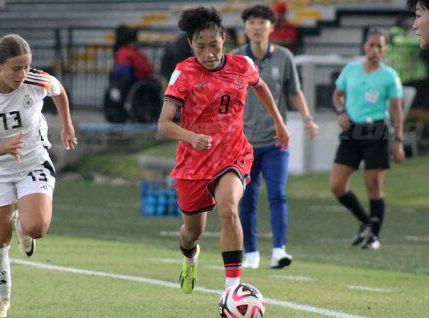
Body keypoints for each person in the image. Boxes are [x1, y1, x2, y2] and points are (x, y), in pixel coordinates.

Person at [157, 6, 289, 294]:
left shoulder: (242, 65)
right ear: (191, 44)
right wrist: (191, 137)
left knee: (229, 209)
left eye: (214, 45)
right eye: (201, 47)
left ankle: (232, 289)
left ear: (224, 39)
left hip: (233, 155)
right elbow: (164, 124)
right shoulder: (183, 73)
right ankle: (190, 259)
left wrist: (279, 122)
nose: (209, 53)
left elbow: (261, 86)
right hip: (193, 163)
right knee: (192, 233)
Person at [0, 29, 77, 318]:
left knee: (36, 227)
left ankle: (23, 224)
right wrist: (2, 147)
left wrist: (67, 125)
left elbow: (59, 91)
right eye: (16, 68)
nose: (23, 73)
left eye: (26, 66)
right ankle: (2, 300)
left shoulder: (36, 80)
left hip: (33, 162)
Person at [232, 5, 319, 270]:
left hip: (274, 142)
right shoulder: (235, 59)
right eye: (252, 22)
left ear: (272, 26)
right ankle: (251, 253)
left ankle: (279, 250)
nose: (257, 27)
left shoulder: (284, 57)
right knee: (247, 198)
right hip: (243, 143)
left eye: (262, 22)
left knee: (278, 194)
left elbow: (295, 91)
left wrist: (307, 119)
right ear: (245, 27)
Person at [330, 28, 404, 250]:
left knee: (373, 185)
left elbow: (397, 110)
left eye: (380, 46)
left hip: (376, 131)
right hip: (351, 131)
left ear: (384, 49)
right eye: (372, 45)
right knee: (337, 185)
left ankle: (374, 236)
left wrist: (398, 141)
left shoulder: (389, 75)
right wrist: (340, 111)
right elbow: (336, 95)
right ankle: (365, 222)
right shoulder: (351, 69)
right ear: (365, 47)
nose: (375, 50)